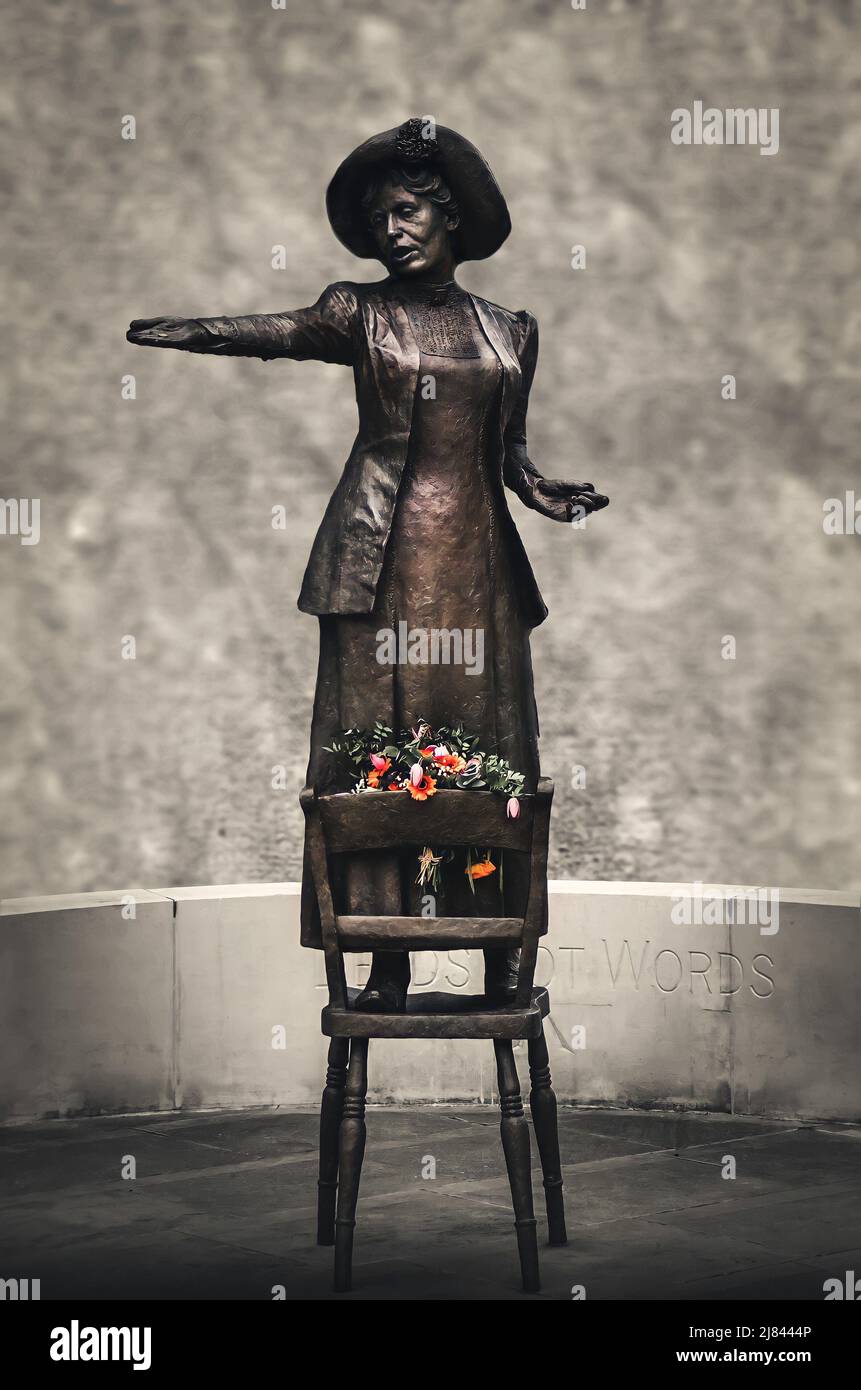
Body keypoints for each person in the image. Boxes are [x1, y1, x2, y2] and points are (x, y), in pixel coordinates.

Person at [127, 117, 608, 1012]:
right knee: (374, 752)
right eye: (379, 216)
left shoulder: (511, 331)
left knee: (488, 747)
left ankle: (500, 953)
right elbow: (278, 330)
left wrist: (547, 494)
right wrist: (192, 331)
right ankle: (383, 957)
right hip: (378, 564)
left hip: (477, 568)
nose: (392, 229)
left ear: (451, 217)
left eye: (409, 210)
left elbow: (510, 457)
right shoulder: (360, 310)